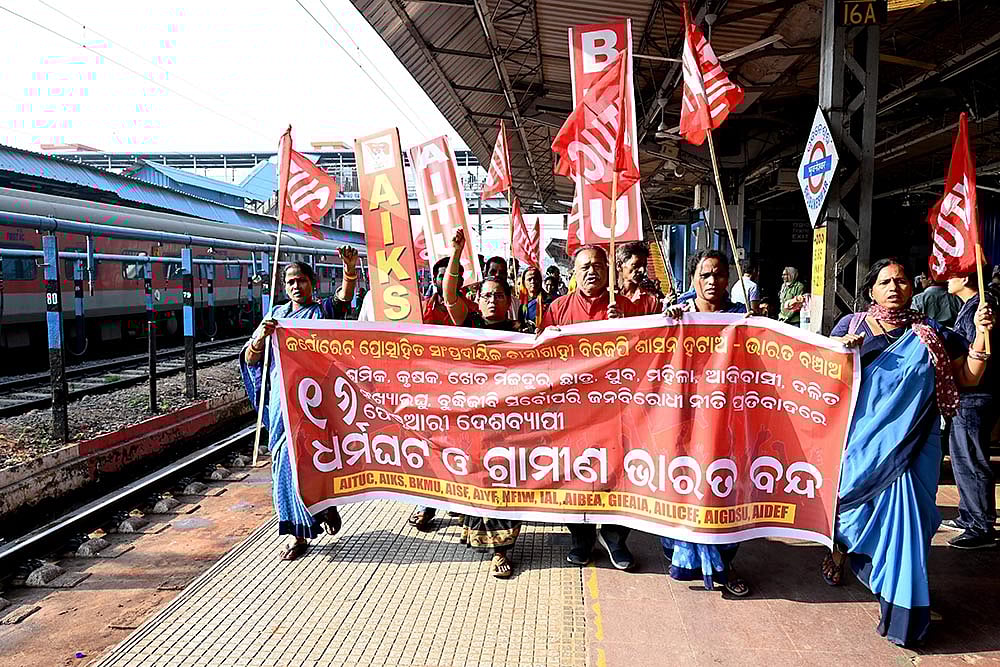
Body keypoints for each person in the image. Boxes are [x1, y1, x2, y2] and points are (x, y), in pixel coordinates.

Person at [823, 258, 993, 646]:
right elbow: (818, 375)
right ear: (871, 291)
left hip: (917, 447)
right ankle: (842, 551)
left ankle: (902, 609)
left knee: (909, 529)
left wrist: (981, 336)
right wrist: (838, 351)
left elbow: (966, 376)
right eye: (886, 282)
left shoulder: (931, 333)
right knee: (851, 517)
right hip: (862, 446)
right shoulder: (851, 327)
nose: (895, 287)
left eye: (901, 281)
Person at [241, 248, 359, 561]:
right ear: (284, 287)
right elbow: (251, 358)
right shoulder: (275, 317)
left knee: (318, 461)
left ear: (312, 283)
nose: (296, 286)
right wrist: (259, 339)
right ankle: (298, 533)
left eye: (302, 280)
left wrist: (349, 269)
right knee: (285, 463)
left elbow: (344, 299)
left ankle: (325, 507)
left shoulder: (323, 313)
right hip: (284, 403)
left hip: (317, 403)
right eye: (291, 281)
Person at [539, 245, 652, 570]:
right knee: (577, 475)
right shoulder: (558, 309)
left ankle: (616, 538)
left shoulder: (627, 308)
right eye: (585, 266)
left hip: (617, 412)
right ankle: (581, 538)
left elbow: (649, 350)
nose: (592, 271)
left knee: (619, 475)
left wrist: (626, 325)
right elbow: (541, 355)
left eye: (598, 266)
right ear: (573, 273)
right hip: (574, 414)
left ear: (608, 270)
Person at [661, 250, 751, 597]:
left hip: (726, 420)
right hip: (684, 418)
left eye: (719, 274)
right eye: (705, 275)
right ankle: (682, 557)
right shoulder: (678, 315)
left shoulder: (742, 317)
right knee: (683, 485)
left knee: (722, 490)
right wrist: (666, 320)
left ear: (729, 279)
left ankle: (724, 564)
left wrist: (760, 326)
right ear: (693, 278)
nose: (713, 281)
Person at [442, 228, 522, 578]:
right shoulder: (469, 324)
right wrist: (456, 253)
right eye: (486, 296)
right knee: (476, 479)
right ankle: (478, 534)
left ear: (508, 300)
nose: (491, 301)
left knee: (505, 480)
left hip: (509, 425)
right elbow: (448, 295)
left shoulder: (524, 333)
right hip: (472, 420)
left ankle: (501, 550)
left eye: (498, 295)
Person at [942, 272, 997, 549]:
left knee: (971, 459)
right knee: (963, 459)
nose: (945, 280)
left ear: (965, 277)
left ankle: (981, 526)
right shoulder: (971, 305)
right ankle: (969, 515)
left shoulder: (982, 307)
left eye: (952, 274)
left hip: (976, 394)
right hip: (968, 395)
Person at [616, 241, 664, 314]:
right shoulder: (607, 298)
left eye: (644, 266)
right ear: (619, 266)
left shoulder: (652, 301)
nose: (642, 270)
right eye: (636, 265)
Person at [518, 266, 552, 333]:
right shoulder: (521, 304)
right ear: (524, 282)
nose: (533, 281)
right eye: (529, 279)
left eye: (536, 278)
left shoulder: (549, 302)